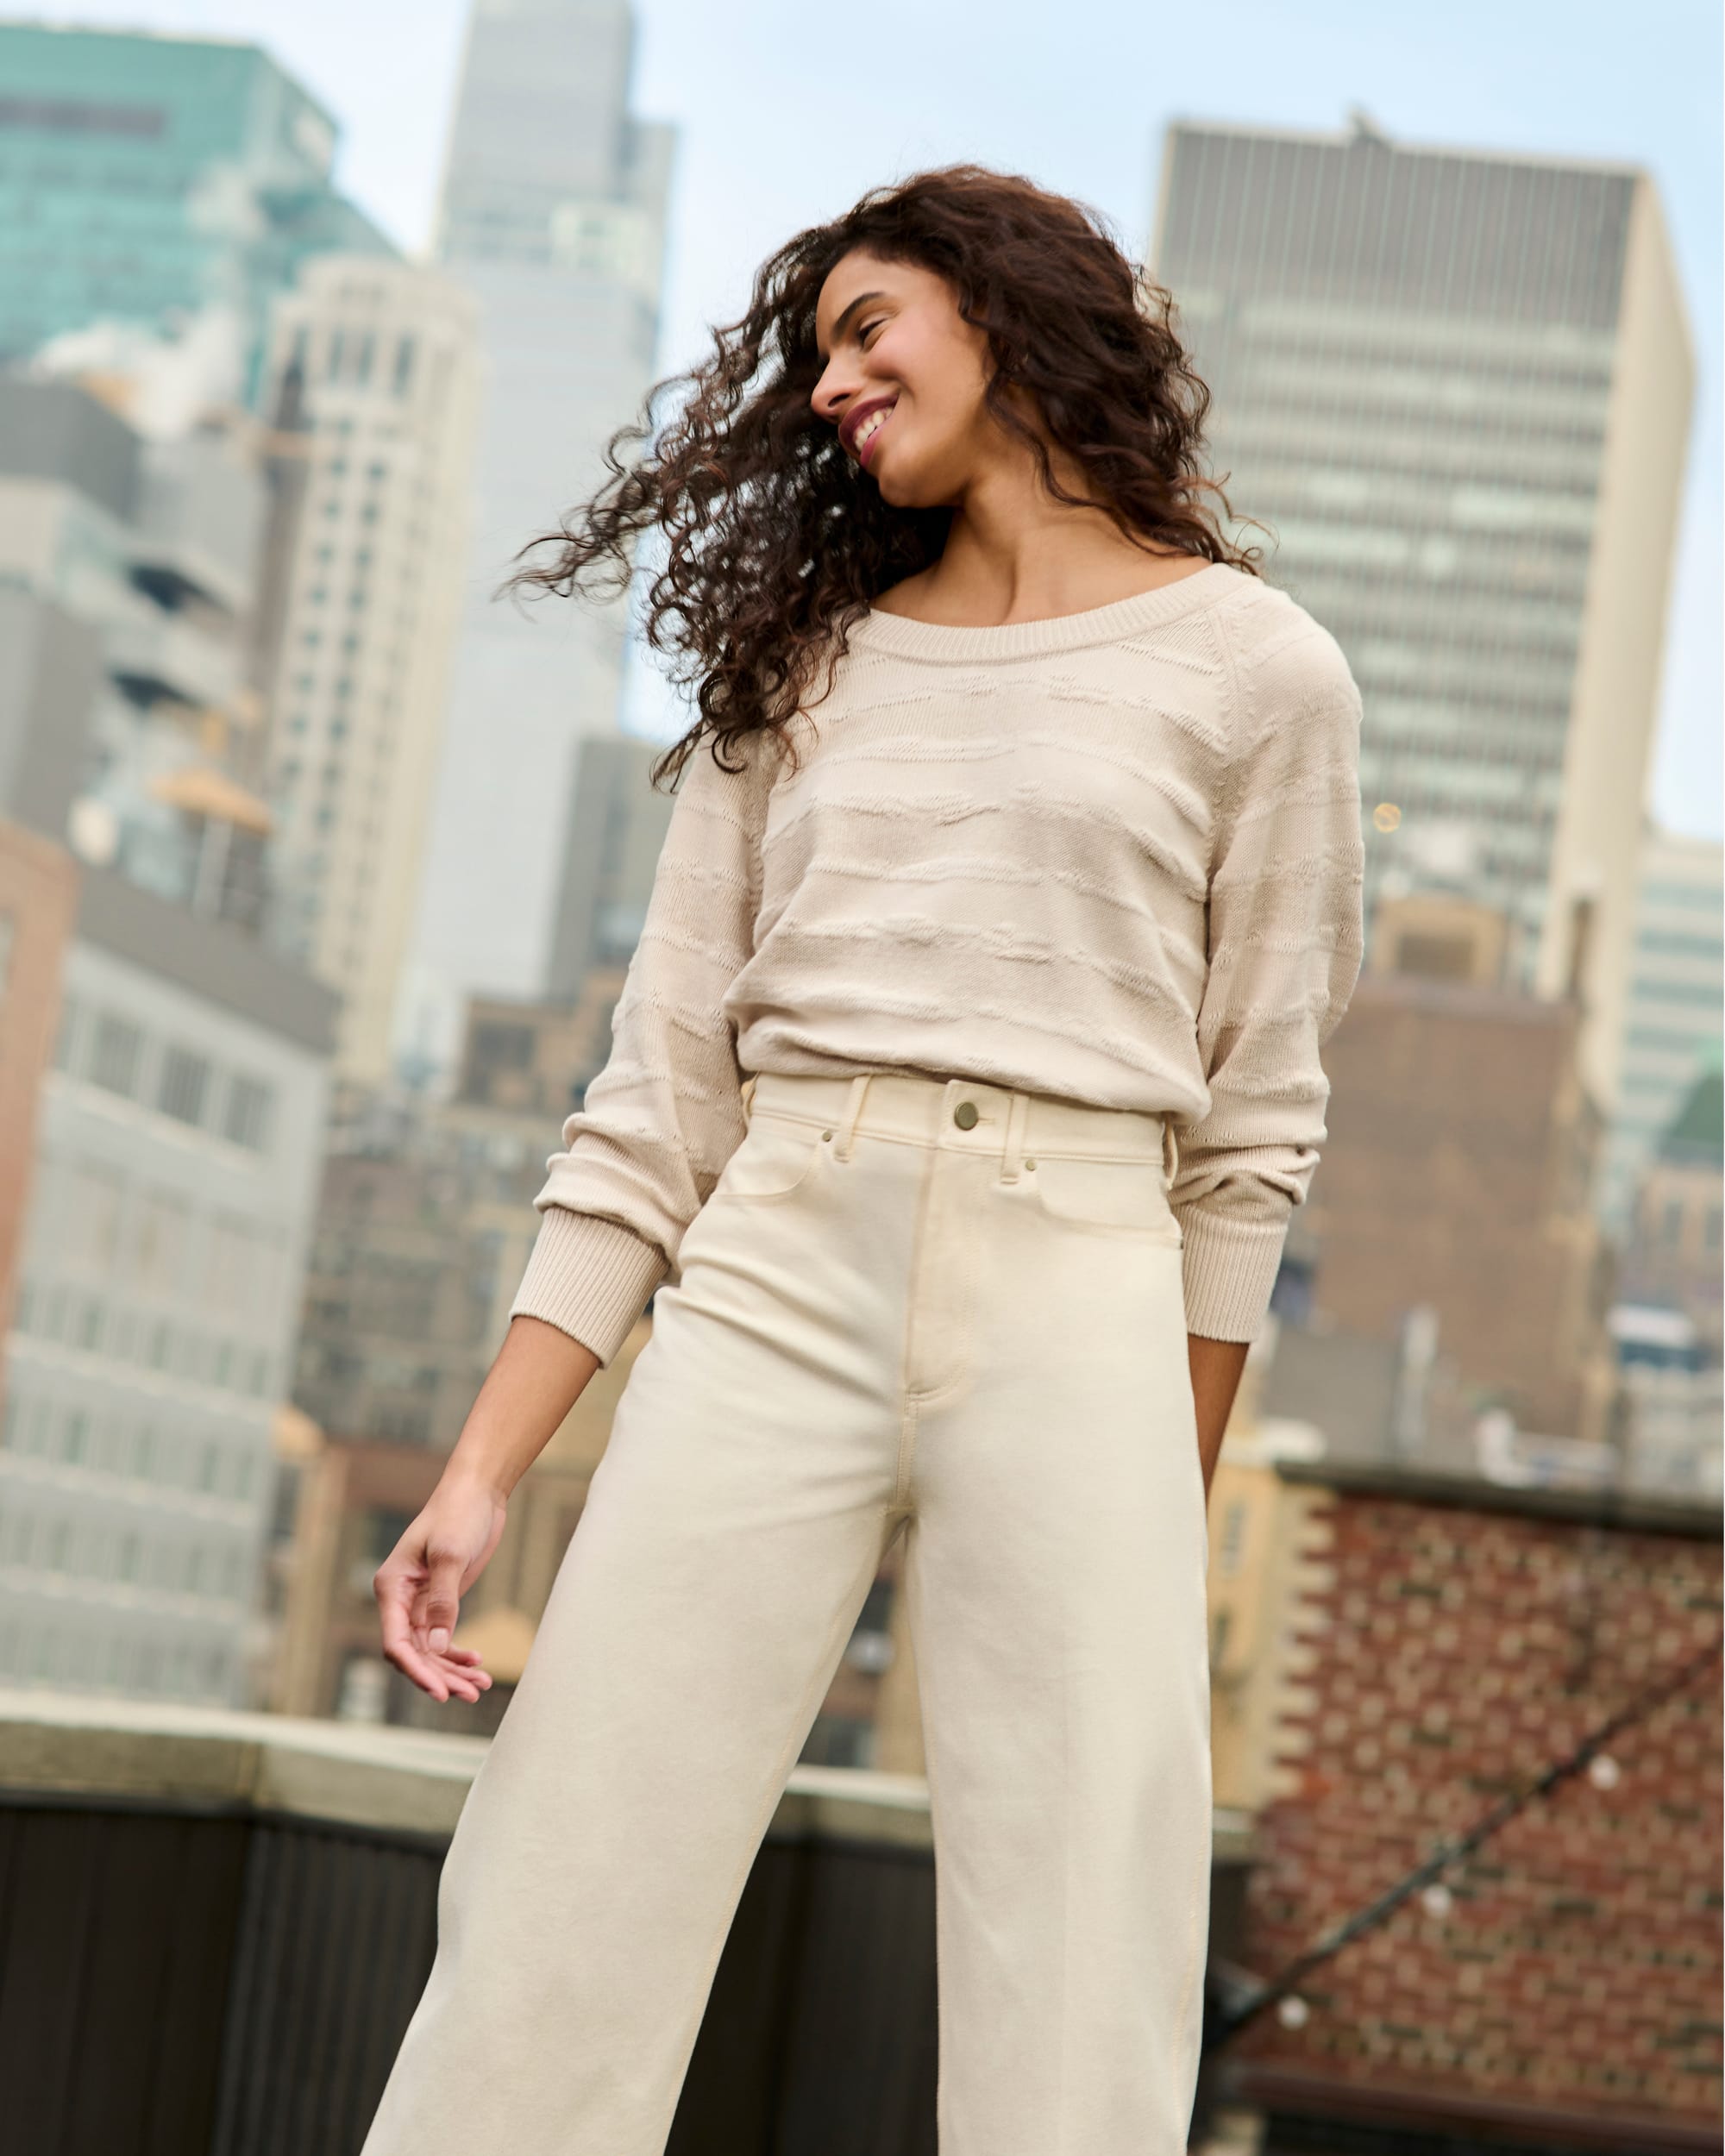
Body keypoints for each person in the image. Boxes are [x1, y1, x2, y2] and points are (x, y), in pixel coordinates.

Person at [361, 162, 1364, 2156]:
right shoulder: (800, 675)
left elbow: (1251, 1144)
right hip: (773, 1260)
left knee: (1084, 1937)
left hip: (1081, 1275)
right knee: (563, 1877)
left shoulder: (1262, 675)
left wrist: (1162, 1504)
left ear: (1005, 316)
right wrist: (481, 1475)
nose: (831, 380)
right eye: (815, 348)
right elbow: (655, 1096)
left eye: (867, 327)